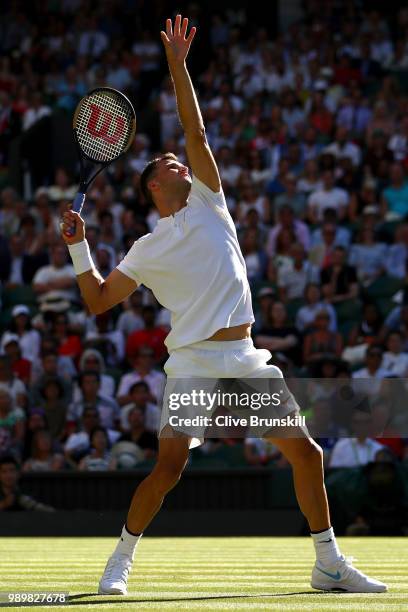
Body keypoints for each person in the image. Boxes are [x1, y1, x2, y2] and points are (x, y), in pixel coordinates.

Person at [61, 15, 386, 596]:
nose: (181, 163)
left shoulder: (212, 203)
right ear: (154, 188)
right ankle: (119, 565)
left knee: (306, 454)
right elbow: (97, 301)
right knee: (168, 469)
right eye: (168, 164)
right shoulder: (146, 247)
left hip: (245, 358)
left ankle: (328, 564)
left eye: (180, 160)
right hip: (190, 363)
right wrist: (79, 246)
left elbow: (197, 133)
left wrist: (179, 67)